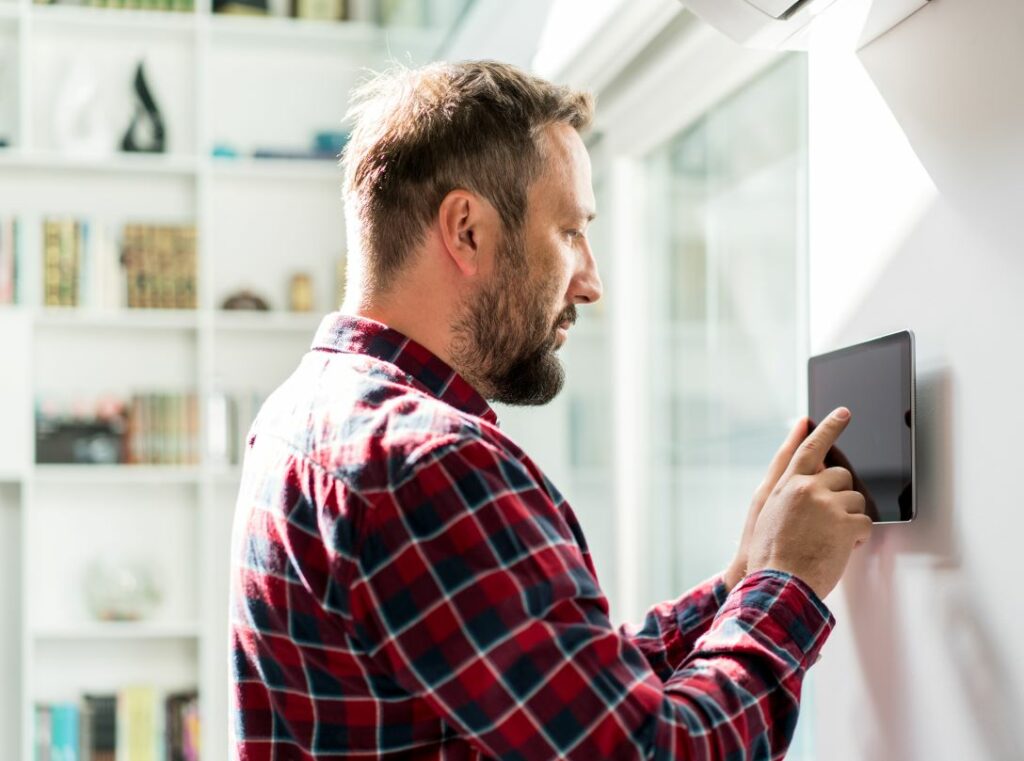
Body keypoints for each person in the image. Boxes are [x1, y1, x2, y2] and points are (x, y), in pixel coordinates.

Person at [229, 60, 872, 760]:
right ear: (467, 229)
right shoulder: (429, 463)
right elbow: (656, 751)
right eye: (570, 232)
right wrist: (790, 582)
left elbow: (565, 698)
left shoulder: (303, 413)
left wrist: (739, 582)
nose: (591, 281)